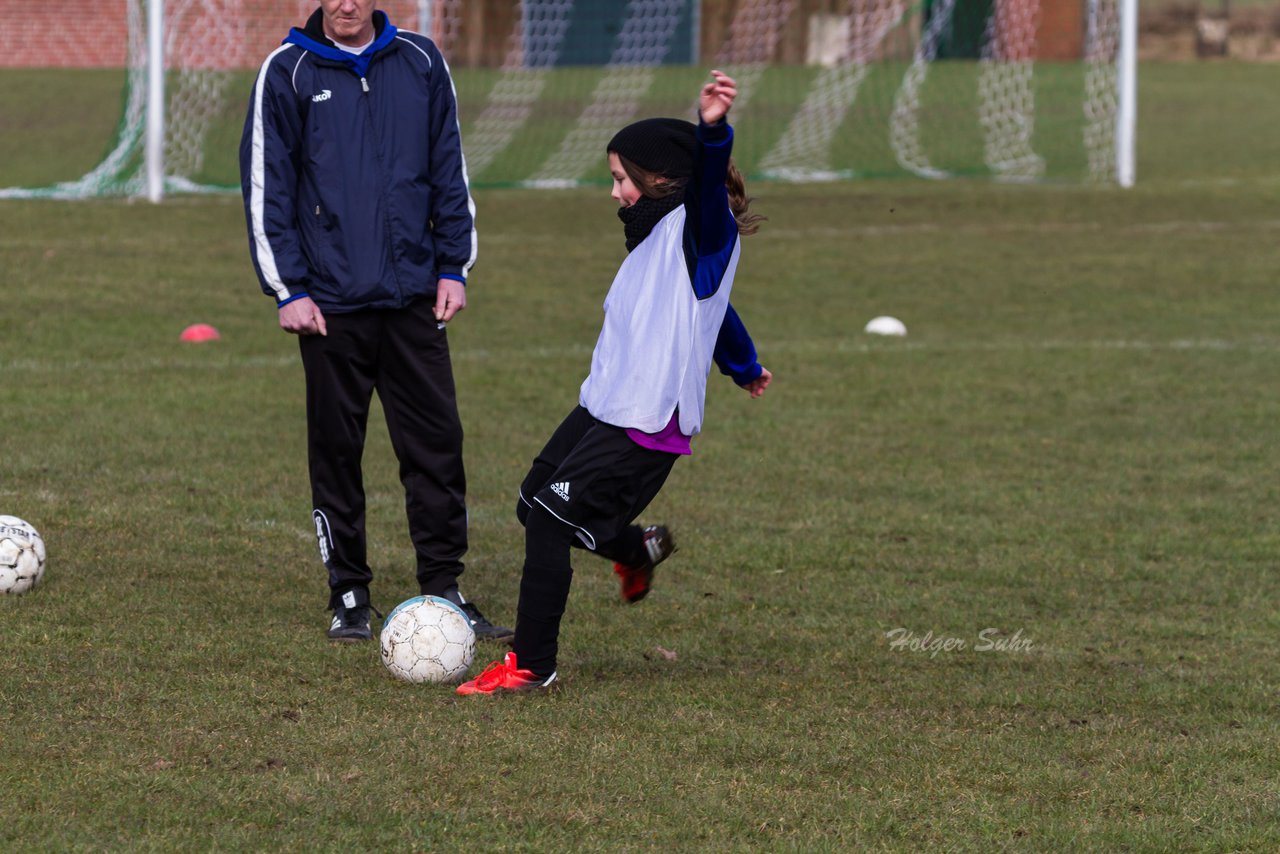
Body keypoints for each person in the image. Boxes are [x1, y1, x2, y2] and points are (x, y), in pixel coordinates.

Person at [457, 71, 771, 695]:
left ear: (661, 179)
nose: (614, 192)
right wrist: (743, 365)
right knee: (532, 501)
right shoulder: (661, 235)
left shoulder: (702, 229)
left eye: (622, 179)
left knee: (548, 520)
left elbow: (707, 197)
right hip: (607, 404)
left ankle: (531, 665)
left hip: (646, 418)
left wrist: (711, 131)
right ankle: (633, 551)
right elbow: (716, 314)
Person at [239, 0, 510, 643]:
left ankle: (443, 586)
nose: (346, 5)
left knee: (436, 446)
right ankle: (349, 592)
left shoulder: (419, 60)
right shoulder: (288, 71)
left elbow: (449, 166)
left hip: (417, 296)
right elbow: (266, 186)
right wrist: (288, 290)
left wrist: (453, 266)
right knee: (337, 453)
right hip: (329, 306)